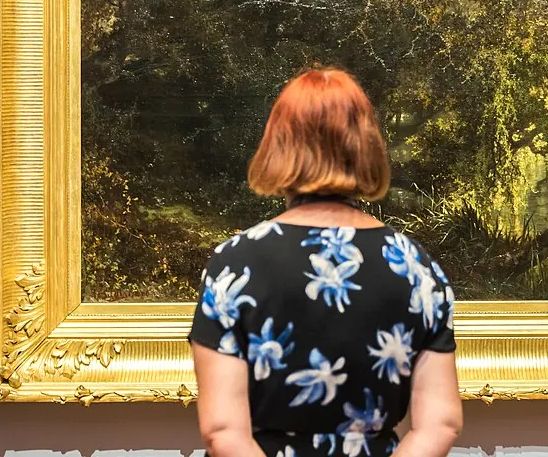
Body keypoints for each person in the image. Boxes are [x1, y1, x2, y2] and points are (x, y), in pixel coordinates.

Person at [189, 67, 462, 457]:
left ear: (279, 144)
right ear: (365, 145)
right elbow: (440, 424)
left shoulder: (235, 263)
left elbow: (223, 431)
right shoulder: (415, 266)